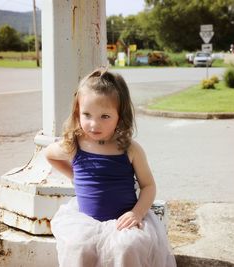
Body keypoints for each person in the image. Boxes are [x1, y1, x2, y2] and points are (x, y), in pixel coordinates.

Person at [45, 67, 176, 267]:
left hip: (124, 221)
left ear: (120, 116)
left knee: (128, 247)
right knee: (77, 246)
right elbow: (50, 155)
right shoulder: (75, 144)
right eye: (86, 114)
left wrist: (137, 213)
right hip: (86, 222)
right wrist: (75, 177)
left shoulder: (130, 149)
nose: (93, 124)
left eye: (104, 116)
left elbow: (148, 186)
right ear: (77, 112)